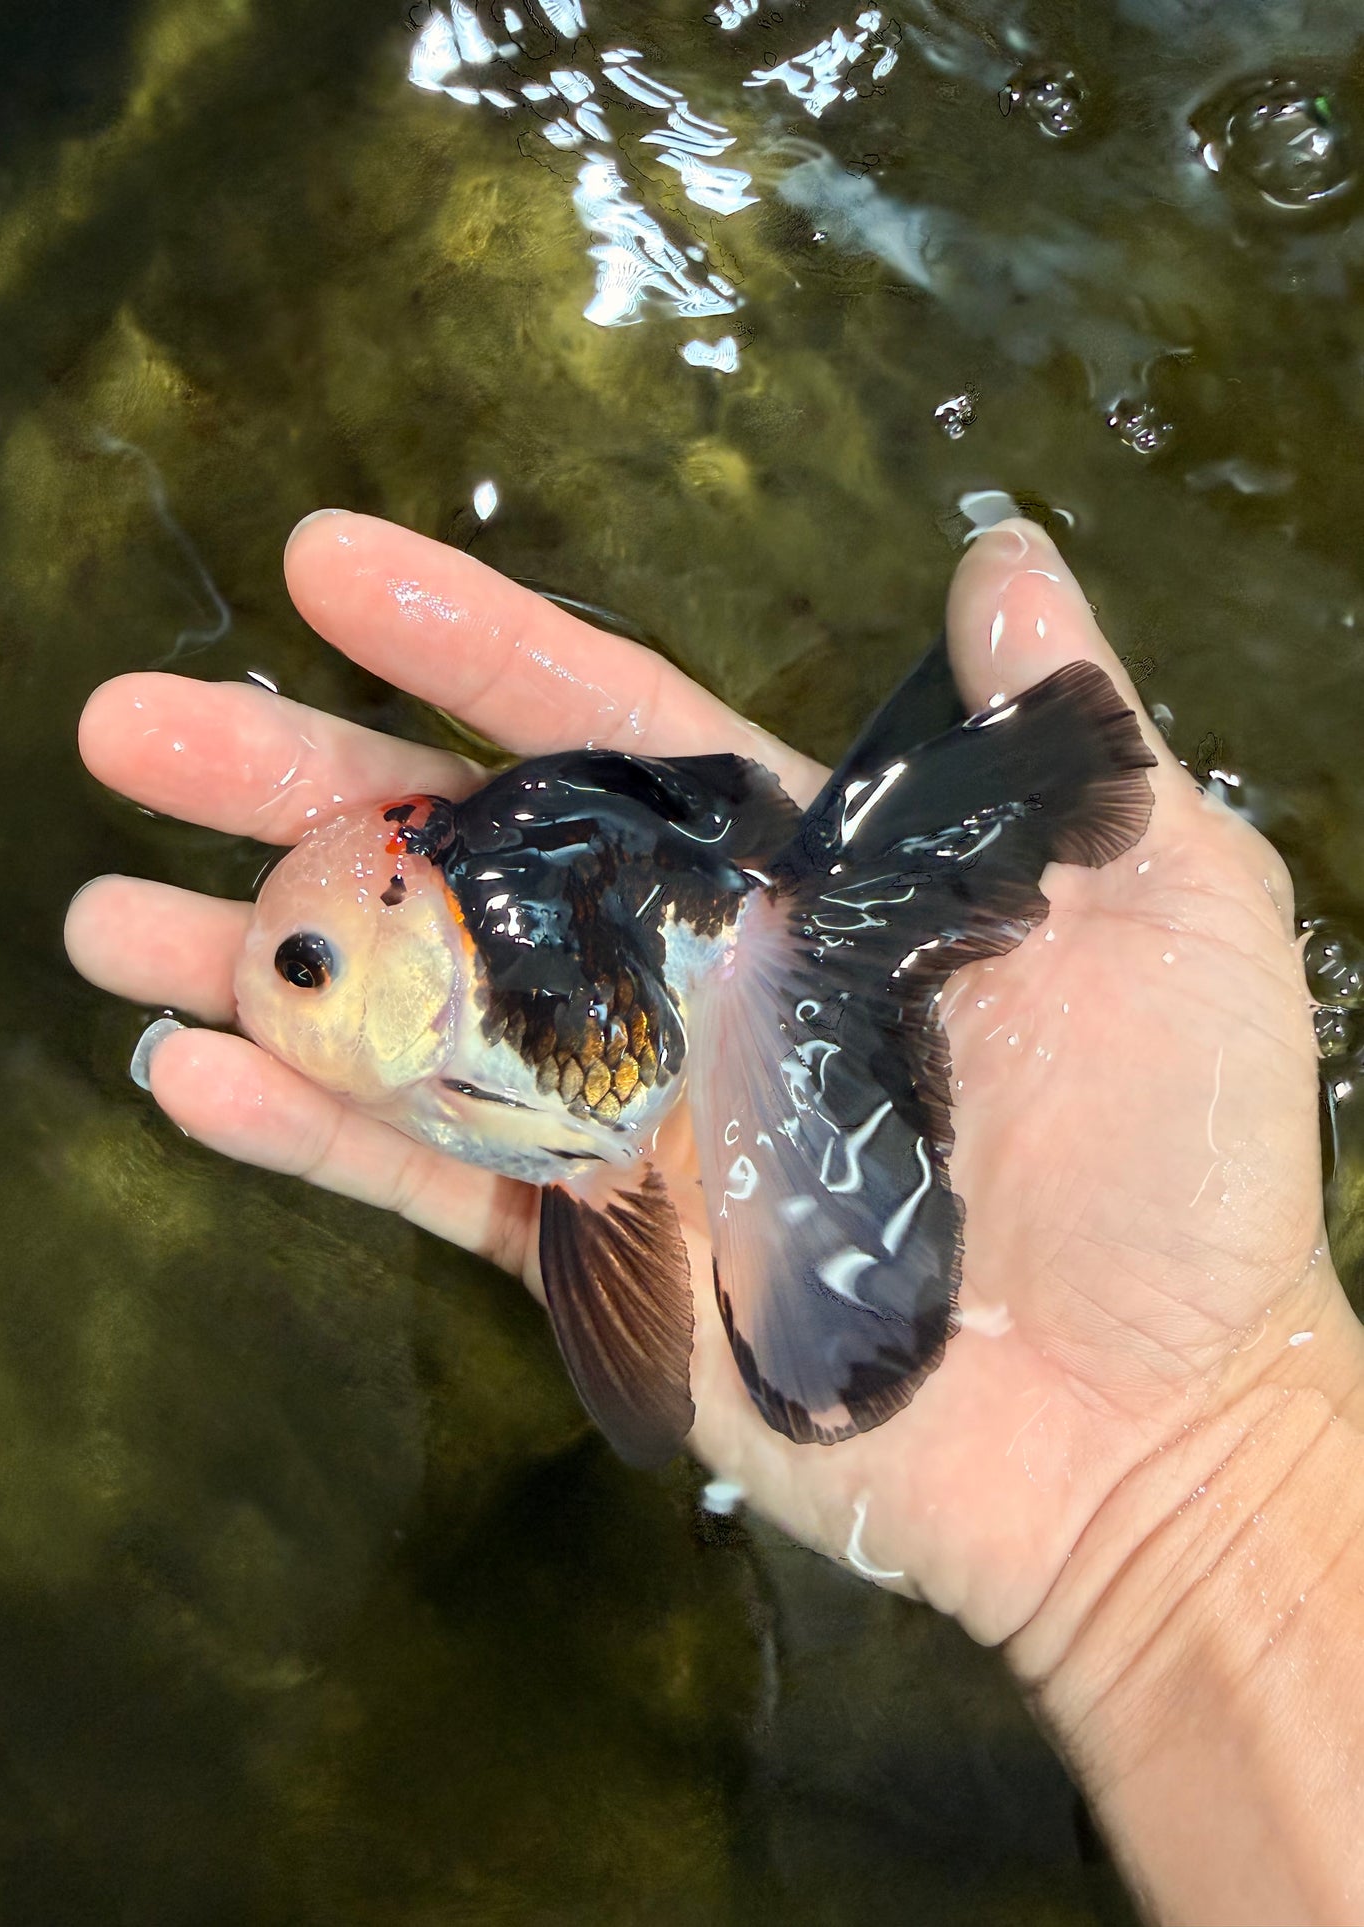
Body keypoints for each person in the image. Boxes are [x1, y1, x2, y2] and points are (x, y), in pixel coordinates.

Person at [66, 511, 1364, 1927]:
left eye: (306, 967)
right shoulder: (470, 976)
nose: (280, 985)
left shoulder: (548, 971)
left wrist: (1215, 1473)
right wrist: (1216, 1501)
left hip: (698, 966)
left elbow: (605, 1099)